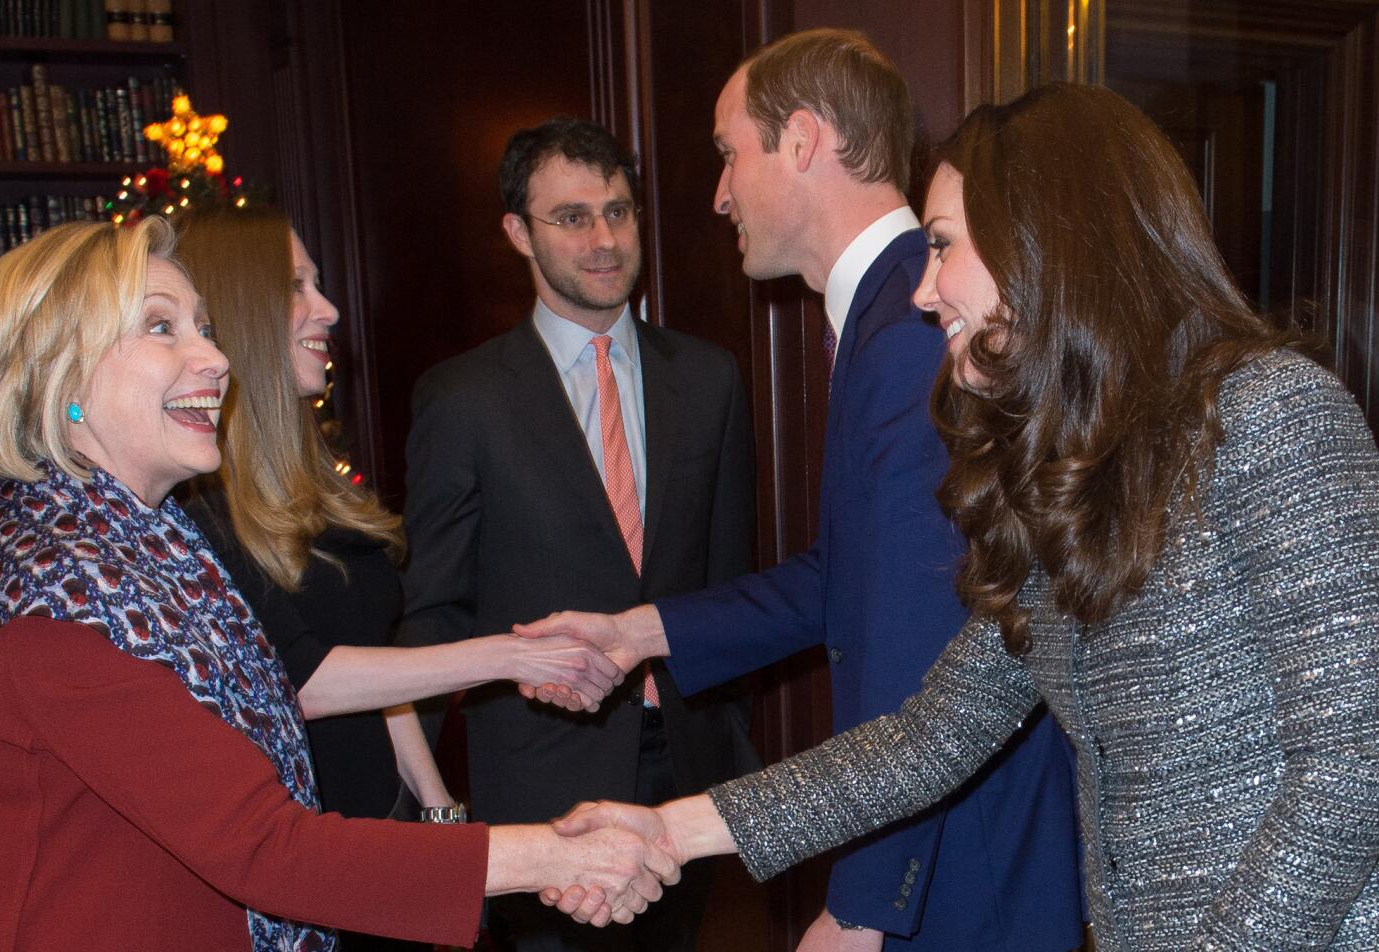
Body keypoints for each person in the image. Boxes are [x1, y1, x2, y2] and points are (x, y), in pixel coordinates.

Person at [540, 81, 1379, 951]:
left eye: (943, 248)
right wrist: (671, 832)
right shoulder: (1073, 471)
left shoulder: (1270, 413)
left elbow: (1353, 768)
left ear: (1046, 239)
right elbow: (931, 736)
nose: (923, 291)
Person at [0, 218, 676, 951]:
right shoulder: (62, 608)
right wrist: (557, 853)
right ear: (57, 378)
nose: (215, 358)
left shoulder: (147, 551)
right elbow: (265, 847)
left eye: (204, 326)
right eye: (161, 328)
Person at [519, 29, 1082, 952]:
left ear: (804, 140)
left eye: (728, 153)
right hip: (945, 835)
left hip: (957, 861)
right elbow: (846, 576)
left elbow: (927, 653)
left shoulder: (913, 329)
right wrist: (636, 635)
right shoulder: (886, 315)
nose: (718, 192)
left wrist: (862, 899)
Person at [172, 204, 628, 950]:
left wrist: (442, 812)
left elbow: (381, 669)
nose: (329, 309)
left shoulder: (311, 476)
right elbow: (307, 681)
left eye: (318, 283)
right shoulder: (197, 501)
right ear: (240, 313)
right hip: (303, 876)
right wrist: (511, 655)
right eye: (297, 287)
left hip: (386, 842)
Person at [397, 116, 758, 951]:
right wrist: (439, 802)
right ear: (518, 233)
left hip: (689, 774)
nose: (604, 240)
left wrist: (728, 744)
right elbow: (434, 613)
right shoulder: (462, 400)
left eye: (619, 212)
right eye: (573, 218)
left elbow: (729, 581)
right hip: (541, 790)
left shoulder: (708, 378)